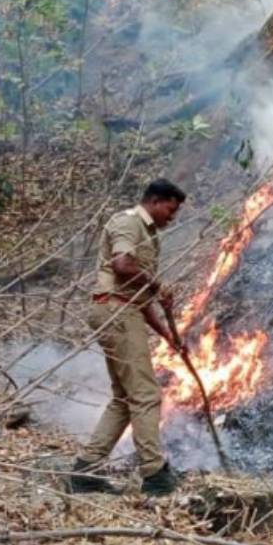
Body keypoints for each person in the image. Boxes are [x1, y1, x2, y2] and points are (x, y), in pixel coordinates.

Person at [70, 179, 188, 496]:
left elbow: (143, 301)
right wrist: (155, 284)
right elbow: (122, 266)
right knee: (146, 394)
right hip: (116, 313)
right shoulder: (129, 222)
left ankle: (85, 471)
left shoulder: (148, 236)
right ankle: (155, 475)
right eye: (170, 209)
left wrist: (169, 337)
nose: (172, 217)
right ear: (155, 200)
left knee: (124, 398)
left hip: (124, 311)